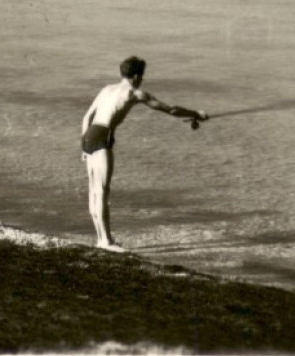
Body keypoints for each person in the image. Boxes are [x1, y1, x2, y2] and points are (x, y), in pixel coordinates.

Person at [80, 55, 208, 251]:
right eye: (142, 76)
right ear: (136, 76)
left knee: (93, 190)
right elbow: (170, 110)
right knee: (102, 191)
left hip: (89, 136)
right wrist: (195, 114)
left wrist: (83, 147)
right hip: (103, 136)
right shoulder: (134, 93)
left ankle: (100, 239)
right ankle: (106, 242)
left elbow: (87, 117)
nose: (142, 80)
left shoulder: (107, 89)